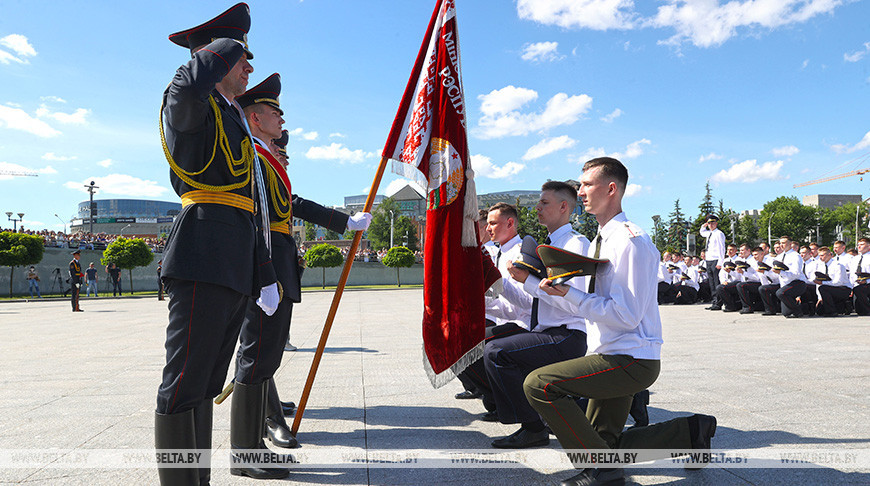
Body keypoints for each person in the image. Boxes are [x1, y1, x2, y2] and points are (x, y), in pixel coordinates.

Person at [524, 157, 716, 486]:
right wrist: (560, 291)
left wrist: (569, 294)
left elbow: (626, 316)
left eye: (586, 184)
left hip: (630, 357)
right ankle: (690, 432)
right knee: (604, 446)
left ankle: (602, 470)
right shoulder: (603, 238)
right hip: (608, 352)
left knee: (540, 385)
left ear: (611, 189)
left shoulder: (630, 241)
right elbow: (593, 305)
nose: (579, 190)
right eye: (580, 184)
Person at [155, 5, 279, 485]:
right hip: (202, 252)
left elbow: (253, 208)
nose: (248, 66)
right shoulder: (188, 102)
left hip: (233, 259)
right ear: (216, 56)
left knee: (205, 383)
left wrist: (263, 271)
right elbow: (191, 79)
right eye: (242, 57)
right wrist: (224, 43)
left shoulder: (232, 117)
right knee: (183, 381)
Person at [231, 73, 372, 478]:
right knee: (256, 358)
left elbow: (289, 204)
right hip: (266, 263)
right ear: (255, 118)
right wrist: (261, 274)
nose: (281, 119)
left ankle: (255, 442)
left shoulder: (266, 156)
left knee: (265, 358)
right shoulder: (252, 156)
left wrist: (343, 222)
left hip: (278, 262)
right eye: (274, 112)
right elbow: (254, 218)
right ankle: (247, 453)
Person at [492, 181, 590, 449]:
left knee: (496, 352)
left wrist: (528, 281)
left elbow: (574, 302)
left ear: (563, 207)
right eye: (538, 202)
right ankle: (541, 418)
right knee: (494, 349)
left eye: (545, 202)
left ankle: (533, 427)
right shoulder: (546, 245)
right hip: (546, 331)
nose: (538, 207)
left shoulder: (574, 245)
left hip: (566, 333)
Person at [455, 202, 533, 420]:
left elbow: (523, 305)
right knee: (456, 341)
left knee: (467, 344)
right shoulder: (501, 252)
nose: (487, 229)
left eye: (492, 223)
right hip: (505, 320)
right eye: (487, 223)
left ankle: (506, 401)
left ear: (510, 223)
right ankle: (496, 398)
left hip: (523, 325)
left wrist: (485, 297)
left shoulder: (520, 254)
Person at [770, 235, 806, 318]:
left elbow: (796, 274)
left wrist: (781, 272)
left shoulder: (795, 256)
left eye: (783, 243)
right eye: (780, 243)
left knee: (780, 293)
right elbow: (775, 273)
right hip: (786, 285)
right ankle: (796, 305)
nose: (781, 245)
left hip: (798, 283)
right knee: (786, 313)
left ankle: (798, 311)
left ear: (790, 244)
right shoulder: (779, 257)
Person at [814, 246, 852, 316]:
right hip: (830, 289)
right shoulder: (821, 266)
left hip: (843, 289)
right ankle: (839, 307)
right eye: (819, 255)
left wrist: (822, 283)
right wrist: (820, 298)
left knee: (823, 288)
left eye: (822, 255)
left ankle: (831, 311)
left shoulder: (838, 265)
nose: (820, 257)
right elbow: (818, 283)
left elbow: (838, 282)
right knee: (819, 311)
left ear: (829, 255)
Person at [699, 215, 726, 310]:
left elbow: (722, 248)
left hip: (715, 260)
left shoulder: (719, 233)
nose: (711, 225)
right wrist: (704, 225)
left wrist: (720, 262)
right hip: (709, 260)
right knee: (711, 283)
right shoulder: (709, 233)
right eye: (709, 223)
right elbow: (702, 233)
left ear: (716, 223)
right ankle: (714, 301)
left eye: (713, 223)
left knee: (716, 281)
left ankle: (719, 302)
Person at [849, 237, 870, 315]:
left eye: (862, 244)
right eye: (858, 245)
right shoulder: (855, 259)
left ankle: (868, 310)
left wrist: (866, 281)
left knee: (859, 290)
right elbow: (852, 274)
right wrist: (851, 286)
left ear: (869, 246)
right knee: (859, 310)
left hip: (868, 283)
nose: (859, 246)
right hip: (858, 284)